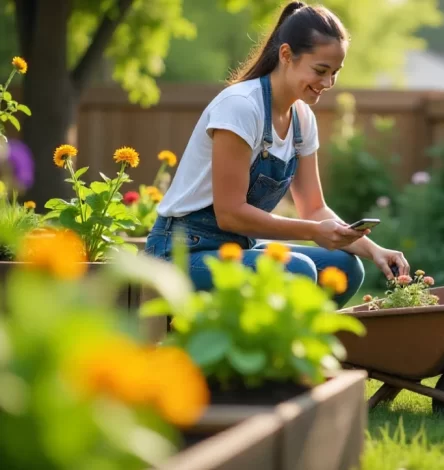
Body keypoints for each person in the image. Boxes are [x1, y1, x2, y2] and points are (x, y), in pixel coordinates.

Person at [145, 1, 409, 308]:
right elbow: (229, 213)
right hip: (181, 253)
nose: (327, 83)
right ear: (286, 55)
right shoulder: (241, 107)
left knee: (345, 266)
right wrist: (313, 232)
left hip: (237, 248)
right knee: (297, 271)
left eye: (335, 73)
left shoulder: (302, 119)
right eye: (320, 70)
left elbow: (314, 208)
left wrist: (372, 248)